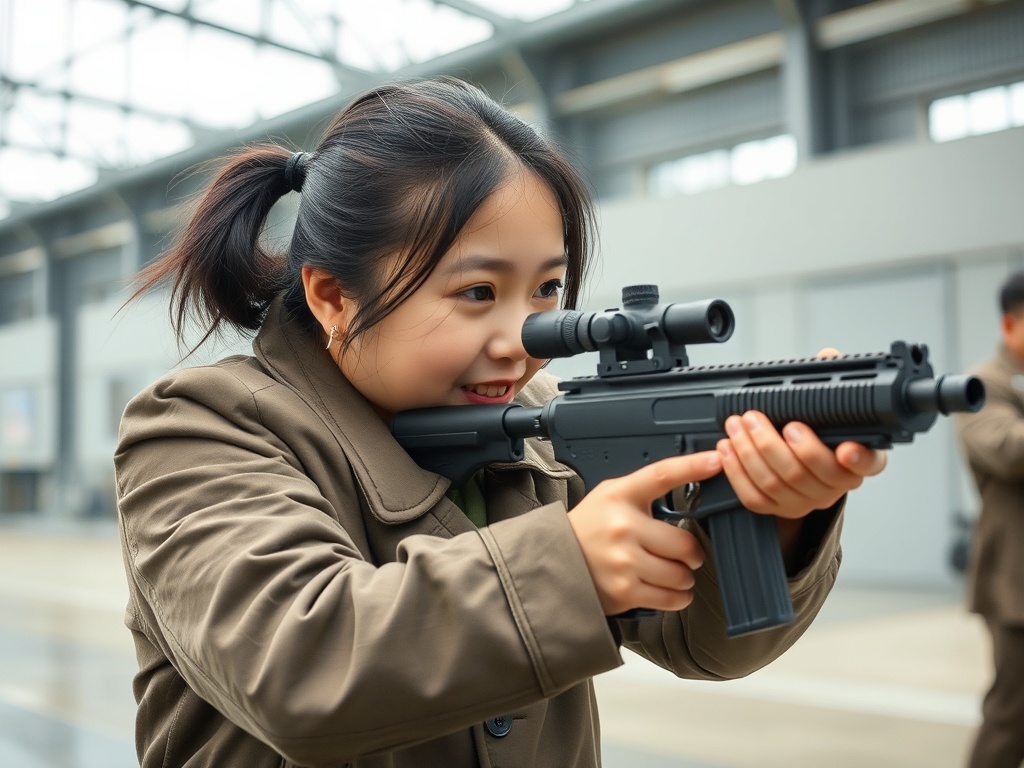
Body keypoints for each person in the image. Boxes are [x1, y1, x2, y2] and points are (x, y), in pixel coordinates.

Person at [114, 77, 886, 768]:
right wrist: (574, 567)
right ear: (332, 297)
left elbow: (705, 645)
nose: (520, 338)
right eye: (478, 292)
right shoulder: (195, 428)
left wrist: (776, 516)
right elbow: (298, 668)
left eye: (547, 290)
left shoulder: (542, 426)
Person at [954, 269, 1024, 768]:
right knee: (1012, 714)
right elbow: (1009, 450)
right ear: (1011, 325)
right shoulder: (982, 385)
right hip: (1016, 584)